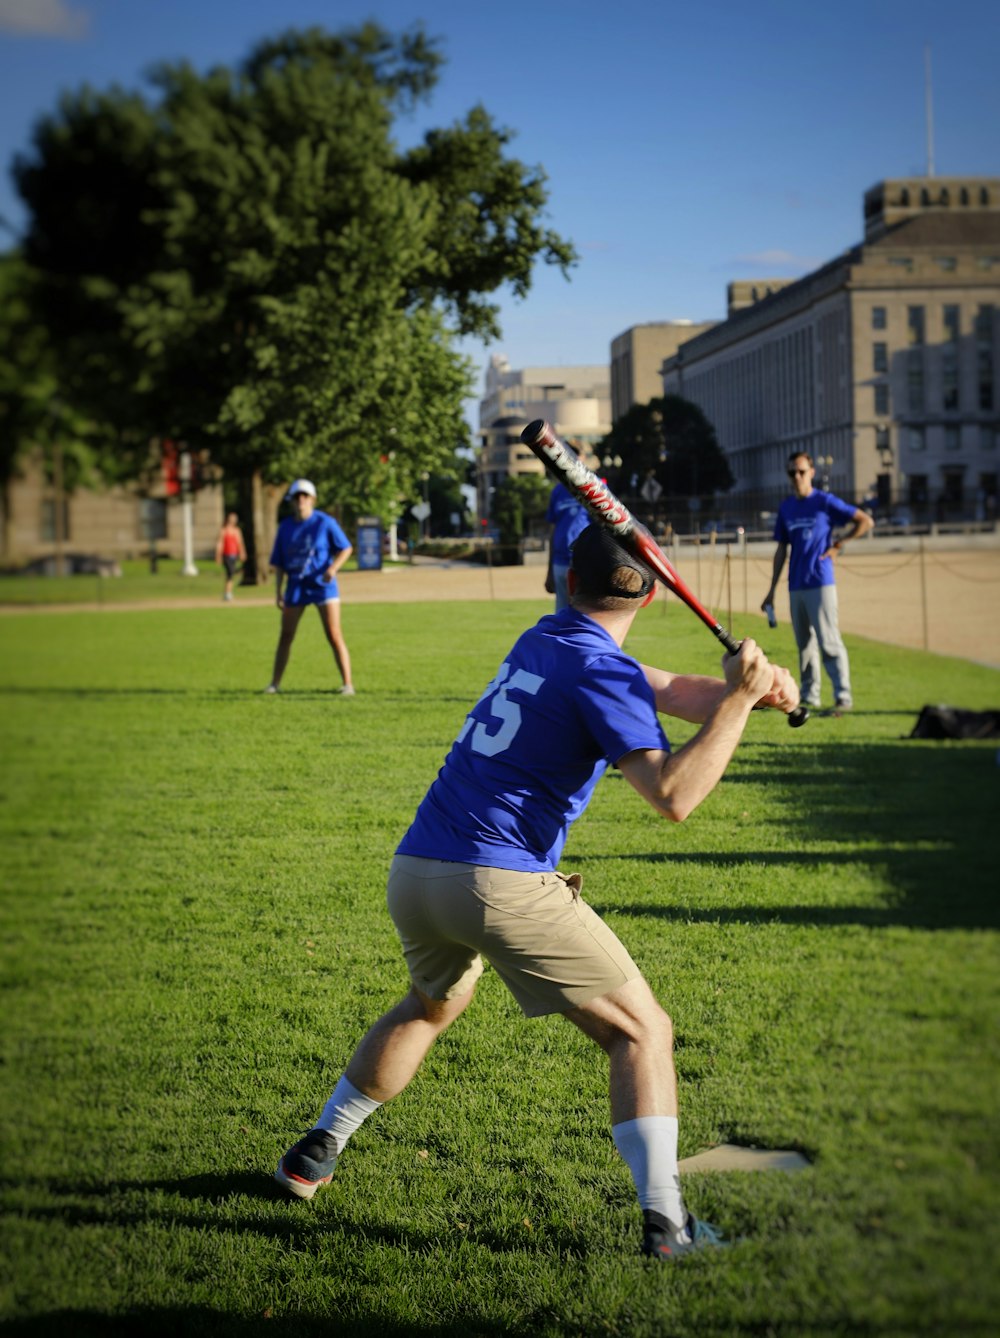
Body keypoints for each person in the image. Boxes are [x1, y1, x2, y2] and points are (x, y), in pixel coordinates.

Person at [274, 523, 798, 1261]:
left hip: (418, 870)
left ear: (566, 579)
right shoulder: (601, 671)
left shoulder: (545, 639)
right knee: (642, 1031)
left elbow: (667, 689)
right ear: (650, 594)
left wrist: (755, 692)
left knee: (431, 1006)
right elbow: (673, 796)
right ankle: (669, 1228)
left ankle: (315, 1150)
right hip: (498, 880)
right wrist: (739, 703)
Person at [762, 451, 873, 713]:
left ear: (811, 472)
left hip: (821, 582)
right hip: (796, 585)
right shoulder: (786, 507)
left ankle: (843, 697)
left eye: (801, 471)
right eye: (792, 472)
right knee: (805, 645)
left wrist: (838, 545)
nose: (797, 476)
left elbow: (865, 521)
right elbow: (781, 550)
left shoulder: (825, 502)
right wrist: (770, 592)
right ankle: (811, 696)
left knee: (829, 640)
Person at [266, 479, 355, 695]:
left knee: (334, 634)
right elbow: (279, 563)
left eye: (305, 496)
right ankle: (274, 684)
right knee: (286, 635)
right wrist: (278, 591)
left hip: (323, 586)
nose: (301, 501)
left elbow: (346, 548)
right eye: (297, 497)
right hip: (296, 586)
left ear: (312, 499)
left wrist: (333, 568)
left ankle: (348, 684)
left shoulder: (325, 522)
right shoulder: (286, 527)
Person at [545, 454, 590, 610]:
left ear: (583, 458)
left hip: (584, 562)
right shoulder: (557, 491)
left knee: (583, 612)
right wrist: (549, 570)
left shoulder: (592, 488)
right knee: (562, 614)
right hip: (560, 563)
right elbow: (552, 530)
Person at [214, 512, 247, 602]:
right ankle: (227, 593)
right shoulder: (223, 530)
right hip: (226, 555)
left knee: (231, 574)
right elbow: (220, 543)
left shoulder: (237, 530)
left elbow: (240, 543)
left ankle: (228, 592)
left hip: (234, 555)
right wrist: (218, 555)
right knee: (230, 572)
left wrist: (242, 553)